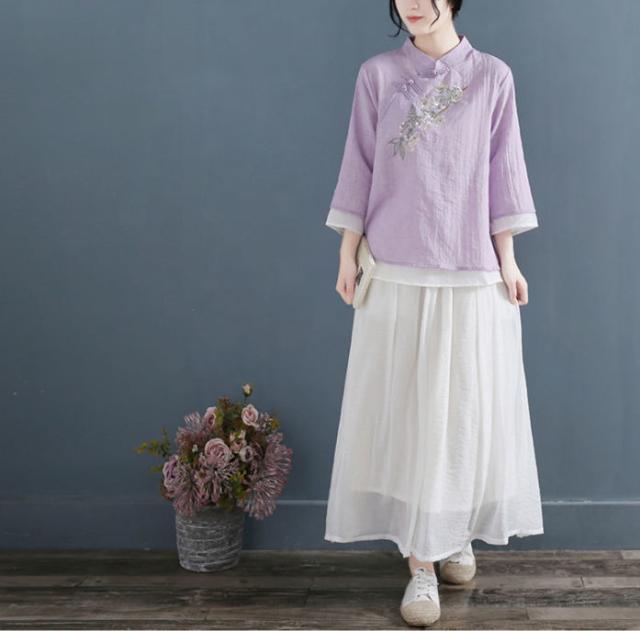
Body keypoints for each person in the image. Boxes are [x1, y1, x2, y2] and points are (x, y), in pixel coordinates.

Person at [323, 0, 545, 626]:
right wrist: (346, 252)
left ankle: (455, 531)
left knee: (465, 411)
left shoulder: (492, 76)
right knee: (411, 411)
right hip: (395, 265)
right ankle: (421, 565)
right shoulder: (377, 75)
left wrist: (509, 261)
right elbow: (360, 163)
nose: (414, 3)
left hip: (471, 266)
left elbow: (503, 169)